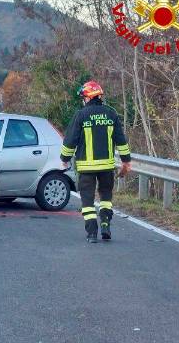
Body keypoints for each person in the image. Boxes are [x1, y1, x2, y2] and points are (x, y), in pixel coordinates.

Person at [60, 81, 132, 243]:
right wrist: (126, 161)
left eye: (83, 97)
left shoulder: (81, 115)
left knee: (87, 201)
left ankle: (92, 233)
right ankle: (105, 224)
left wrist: (64, 159)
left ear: (87, 98)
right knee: (106, 196)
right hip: (106, 167)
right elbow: (121, 141)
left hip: (86, 168)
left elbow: (70, 141)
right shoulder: (111, 114)